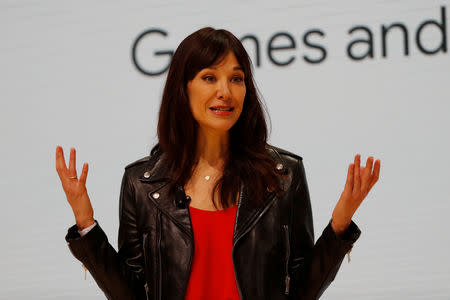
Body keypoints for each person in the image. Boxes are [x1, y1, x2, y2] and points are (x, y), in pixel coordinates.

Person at [56, 27, 380, 300]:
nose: (225, 92)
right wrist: (85, 223)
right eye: (209, 77)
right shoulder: (142, 182)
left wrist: (340, 224)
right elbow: (130, 294)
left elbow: (301, 292)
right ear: (183, 88)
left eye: (236, 79)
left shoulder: (283, 175)